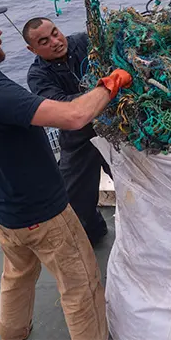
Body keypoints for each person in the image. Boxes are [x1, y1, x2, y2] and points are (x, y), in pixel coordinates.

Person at [0, 0, 131, 340]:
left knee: (17, 276)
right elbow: (75, 116)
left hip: (3, 210)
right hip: (42, 213)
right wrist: (111, 83)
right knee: (80, 286)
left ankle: (13, 334)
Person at [25, 17, 110, 247]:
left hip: (114, 130)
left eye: (55, 32)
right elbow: (61, 106)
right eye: (44, 41)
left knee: (135, 182)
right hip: (78, 138)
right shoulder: (37, 76)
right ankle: (94, 235)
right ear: (31, 49)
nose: (55, 41)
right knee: (73, 202)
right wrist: (101, 92)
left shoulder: (84, 42)